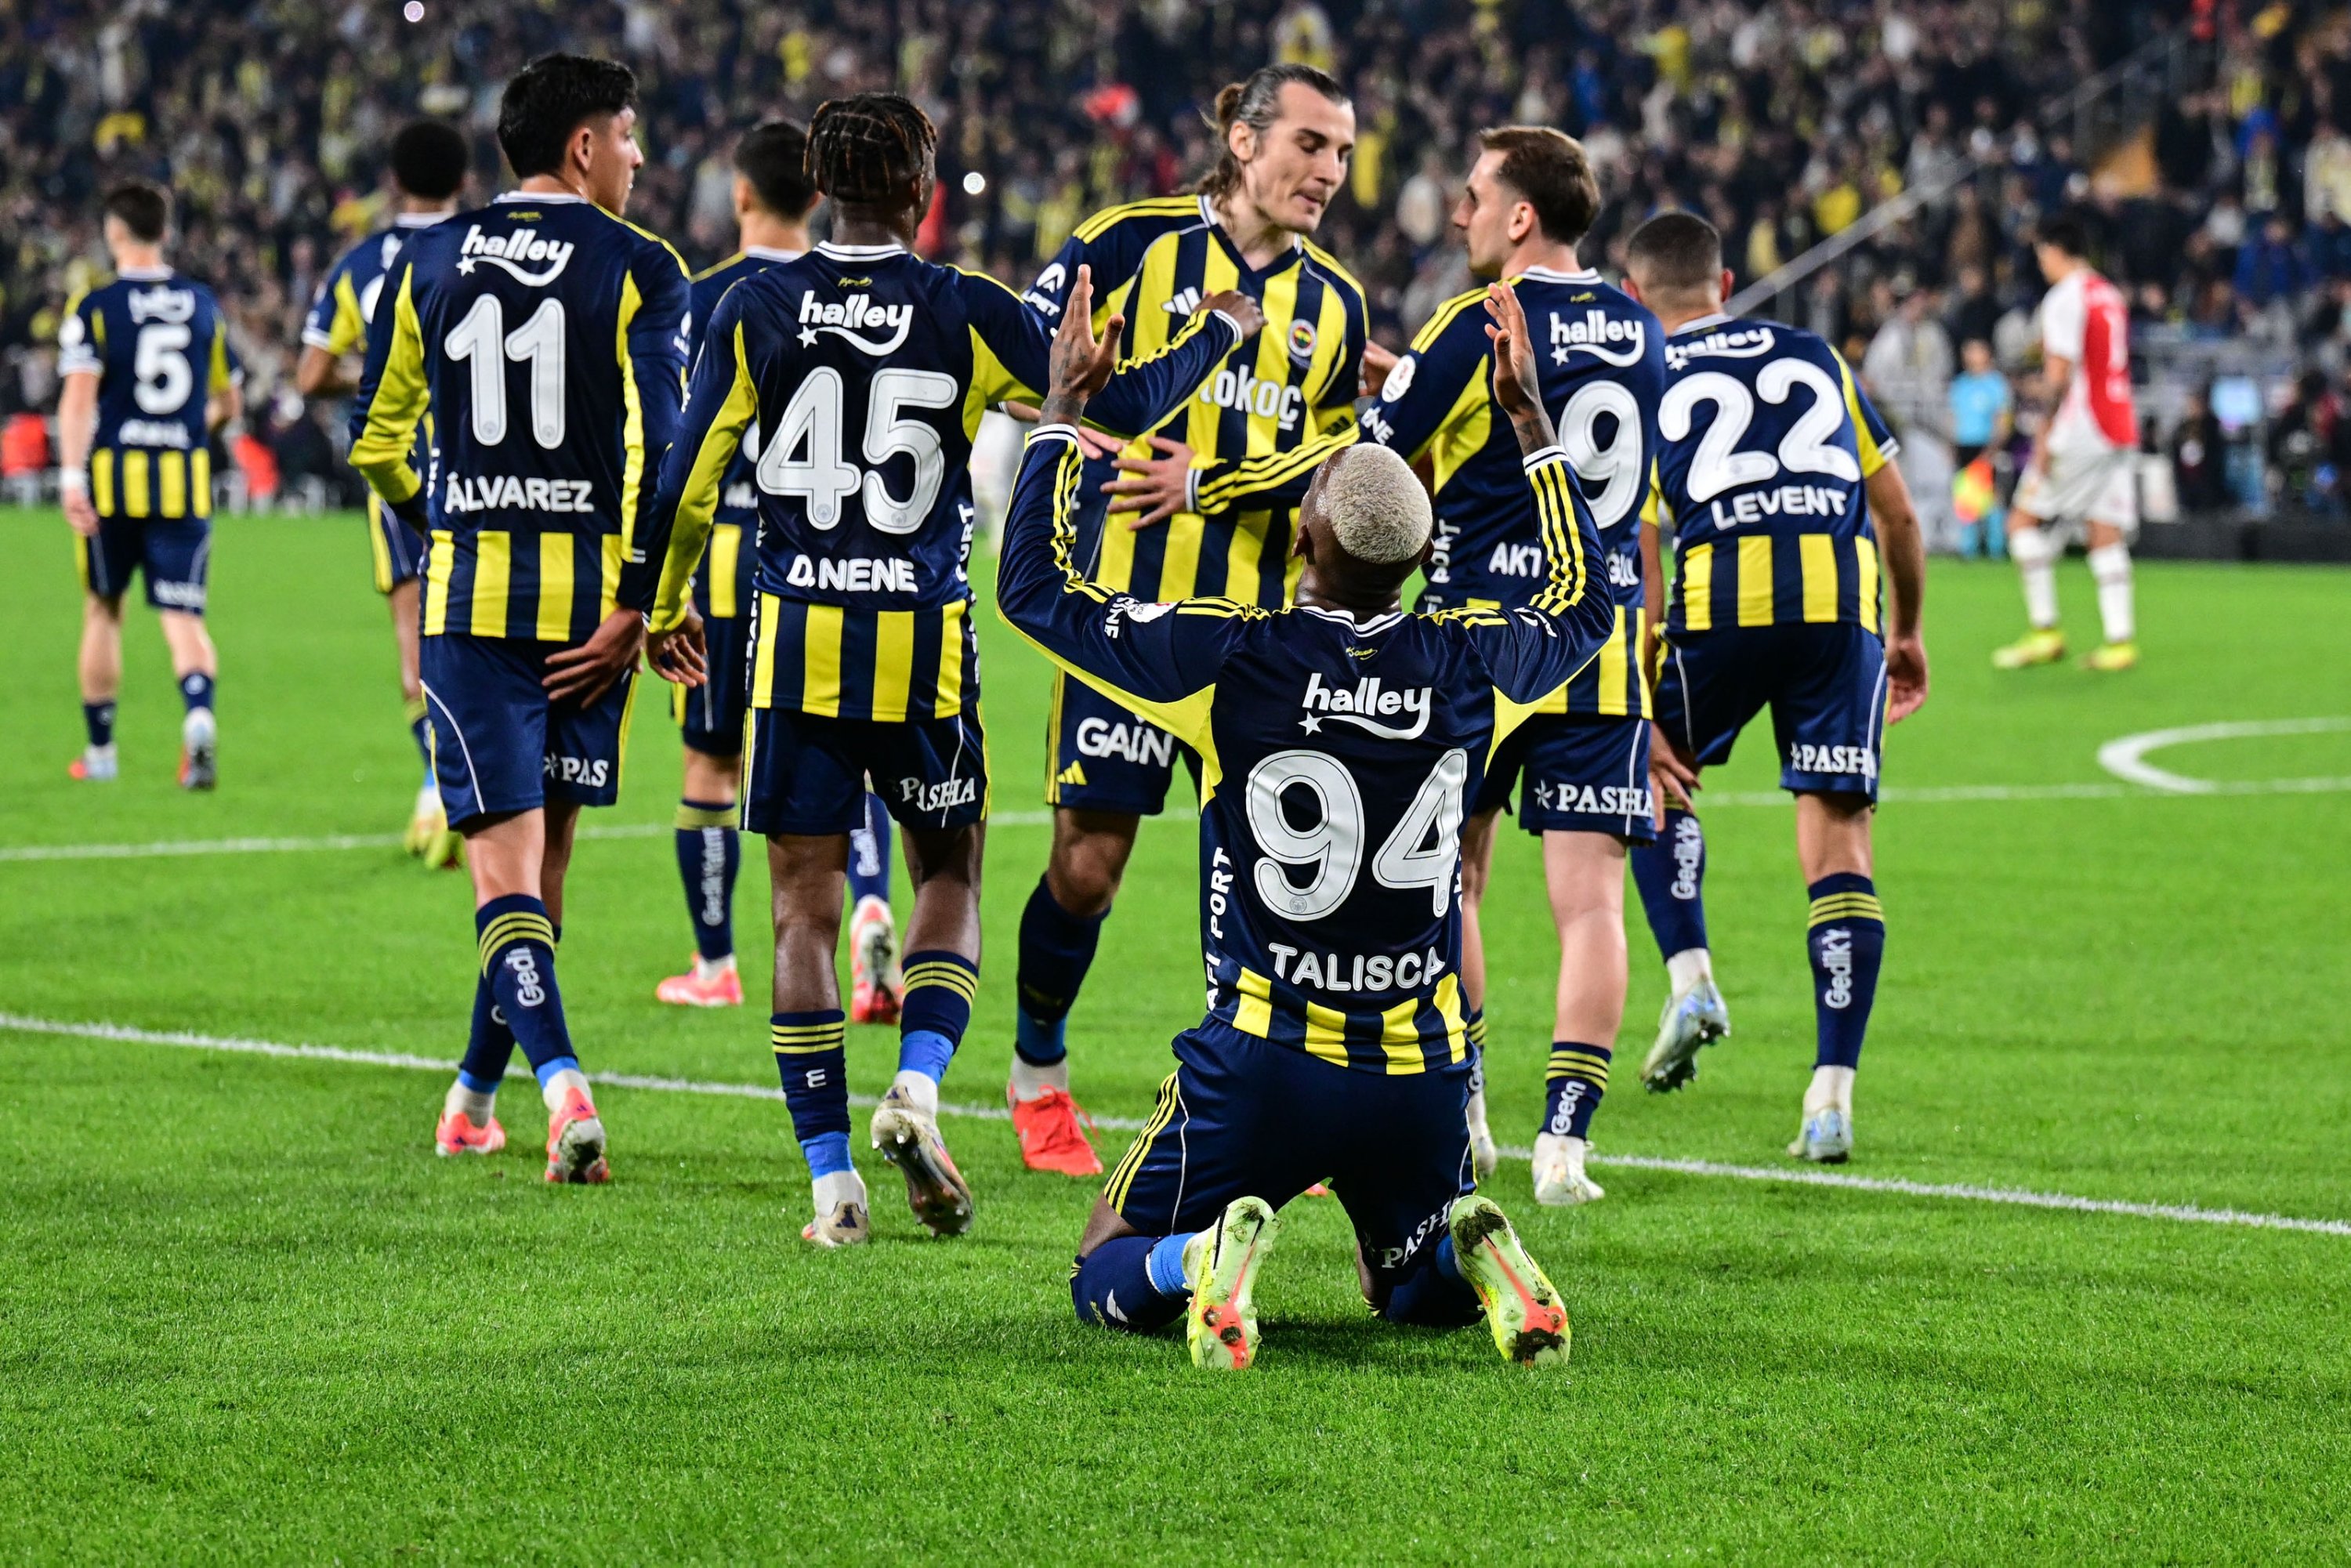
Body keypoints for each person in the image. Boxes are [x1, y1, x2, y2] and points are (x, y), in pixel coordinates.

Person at [631, 92, 1253, 1248]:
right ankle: (916, 1087)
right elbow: (1110, 413)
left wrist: (660, 607)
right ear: (923, 191)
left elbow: (684, 478)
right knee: (949, 876)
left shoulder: (753, 304)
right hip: (921, 646)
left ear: (820, 184)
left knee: (802, 913)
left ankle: (833, 1187)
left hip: (796, 645)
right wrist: (1217, 334)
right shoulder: (966, 308)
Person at [1009, 272, 1614, 1371]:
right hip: (1421, 1068)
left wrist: (1061, 409)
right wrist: (1530, 420)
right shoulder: (1475, 663)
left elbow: (1036, 590)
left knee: (1105, 1258)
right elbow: (1586, 600)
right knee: (1399, 1284)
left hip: (1264, 1058)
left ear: (1301, 542)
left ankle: (1204, 1260)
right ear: (1423, 562)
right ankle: (1470, 1254)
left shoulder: (1230, 659)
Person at [1006, 61, 1368, 1181]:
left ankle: (1263, 1103)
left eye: (1343, 154)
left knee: (1263, 883)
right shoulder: (1127, 243)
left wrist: (1208, 482)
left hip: (1256, 634)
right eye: (1310, 144)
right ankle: (1037, 1072)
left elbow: (1342, 458)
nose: (1329, 172)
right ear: (1245, 140)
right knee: (1087, 869)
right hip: (1120, 611)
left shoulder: (1338, 305)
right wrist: (1117, 425)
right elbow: (1030, 375)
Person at [346, 53, 692, 1182]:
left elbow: (374, 439)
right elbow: (663, 453)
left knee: (509, 885)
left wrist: (437, 516)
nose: (638, 156)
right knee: (541, 879)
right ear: (583, 147)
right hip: (590, 618)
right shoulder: (641, 265)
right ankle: (541, 1090)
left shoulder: (426, 260)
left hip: (472, 606)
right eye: (628, 134)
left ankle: (493, 1095)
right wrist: (643, 603)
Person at [1358, 125, 1663, 1207]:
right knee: (1592, 906)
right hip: (1599, 638)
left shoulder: (1474, 322)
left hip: (1481, 644)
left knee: (1452, 882)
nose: (1460, 213)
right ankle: (1565, 1145)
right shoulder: (1641, 328)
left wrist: (1402, 390)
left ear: (1521, 215)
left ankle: (1471, 1107)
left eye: (1476, 194)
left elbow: (1372, 459)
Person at [1619, 213, 1930, 1163]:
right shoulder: (1818, 356)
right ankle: (1830, 1098)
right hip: (1838, 609)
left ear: (1635, 298)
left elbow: (1644, 554)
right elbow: (1898, 515)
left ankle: (1691, 976)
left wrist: (1641, 695)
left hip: (1720, 601)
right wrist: (1907, 633)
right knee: (1841, 845)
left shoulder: (1646, 376)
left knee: (1652, 778)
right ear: (1723, 284)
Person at [646, 119, 908, 1018]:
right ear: (821, 193)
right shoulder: (862, 294)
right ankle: (870, 907)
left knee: (711, 767)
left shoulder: (704, 299)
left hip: (726, 558)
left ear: (742, 194)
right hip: (839, 558)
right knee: (853, 757)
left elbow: (677, 450)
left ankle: (716, 962)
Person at [295, 119, 471, 867]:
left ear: (394, 183)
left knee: (413, 642)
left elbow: (311, 374)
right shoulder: (483, 249)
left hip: (401, 467)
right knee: (490, 634)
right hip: (486, 466)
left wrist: (375, 371)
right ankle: (477, 784)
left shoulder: (360, 263)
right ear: (463, 181)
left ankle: (437, 784)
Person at [56, 179, 243, 790]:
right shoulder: (203, 304)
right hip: (182, 484)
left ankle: (101, 754)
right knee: (183, 616)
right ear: (165, 232)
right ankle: (198, 718)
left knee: (103, 610)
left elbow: (78, 400)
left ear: (114, 232)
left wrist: (71, 476)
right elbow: (229, 403)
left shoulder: (96, 307)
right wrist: (187, 429)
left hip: (112, 484)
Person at [1994, 212, 2141, 672]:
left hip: (2082, 428)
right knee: (2105, 530)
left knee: (2020, 522)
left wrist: (2043, 432)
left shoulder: (2063, 298)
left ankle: (2045, 631)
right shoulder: (2109, 294)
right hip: (2119, 423)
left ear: (2056, 251)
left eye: (2042, 254)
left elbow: (2059, 376)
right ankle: (2119, 641)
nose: (2041, 264)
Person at [1947, 339, 2012, 557]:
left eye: (1977, 351)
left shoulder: (1996, 384)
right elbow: (1953, 417)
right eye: (1969, 351)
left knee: (1992, 497)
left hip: (1986, 445)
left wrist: (1995, 447)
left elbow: (2003, 418)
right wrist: (1951, 445)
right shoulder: (1960, 384)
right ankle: (1969, 548)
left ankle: (1996, 547)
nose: (1972, 355)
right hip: (1964, 445)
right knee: (1966, 497)